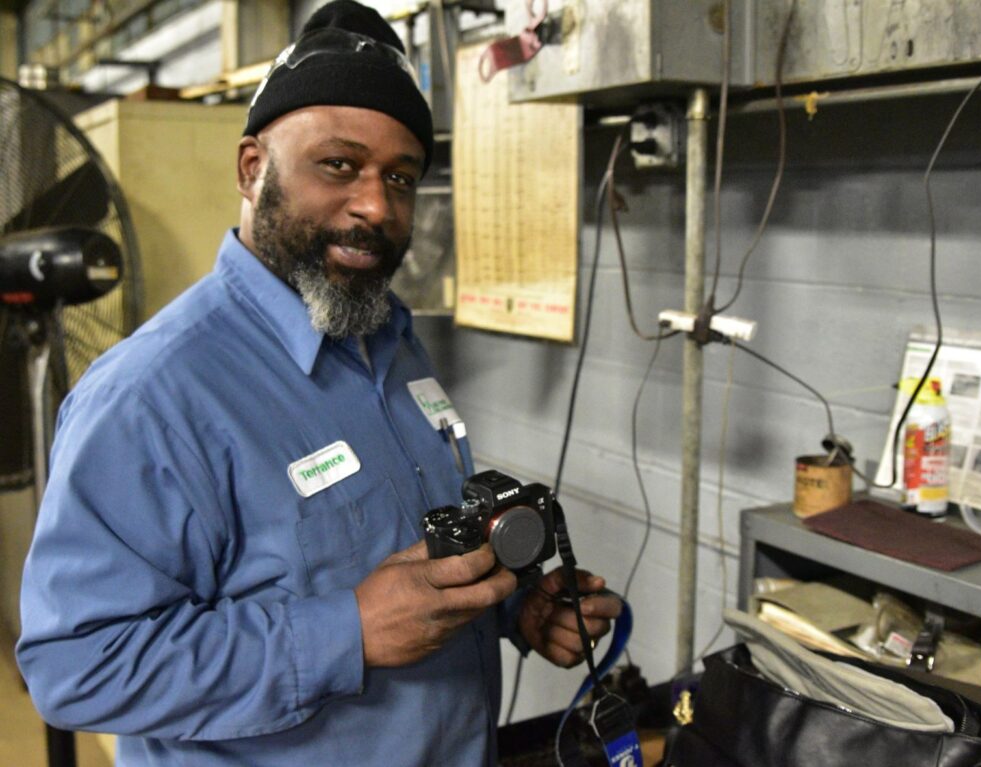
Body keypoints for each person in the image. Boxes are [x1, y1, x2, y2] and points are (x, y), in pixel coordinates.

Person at [16, 2, 622, 765]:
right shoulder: (151, 396)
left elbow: (409, 575)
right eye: (339, 164)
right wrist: (347, 633)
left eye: (400, 177)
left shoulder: (393, 343)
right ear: (251, 168)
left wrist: (511, 614)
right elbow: (77, 665)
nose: (375, 206)